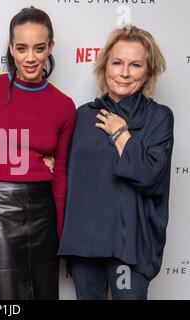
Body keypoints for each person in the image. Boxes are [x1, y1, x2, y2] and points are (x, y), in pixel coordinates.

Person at [58, 25, 173, 300]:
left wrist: (121, 133)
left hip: (130, 250)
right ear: (104, 66)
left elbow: (148, 175)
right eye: (117, 63)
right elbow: (71, 178)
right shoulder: (84, 116)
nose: (124, 73)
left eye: (135, 65)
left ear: (148, 72)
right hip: (85, 248)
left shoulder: (159, 118)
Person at [0, 7, 76, 300]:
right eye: (22, 48)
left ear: (50, 48)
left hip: (44, 208)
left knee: (45, 291)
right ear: (11, 48)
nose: (31, 57)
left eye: (39, 48)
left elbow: (62, 175)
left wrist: (63, 237)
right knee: (6, 292)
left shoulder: (64, 105)